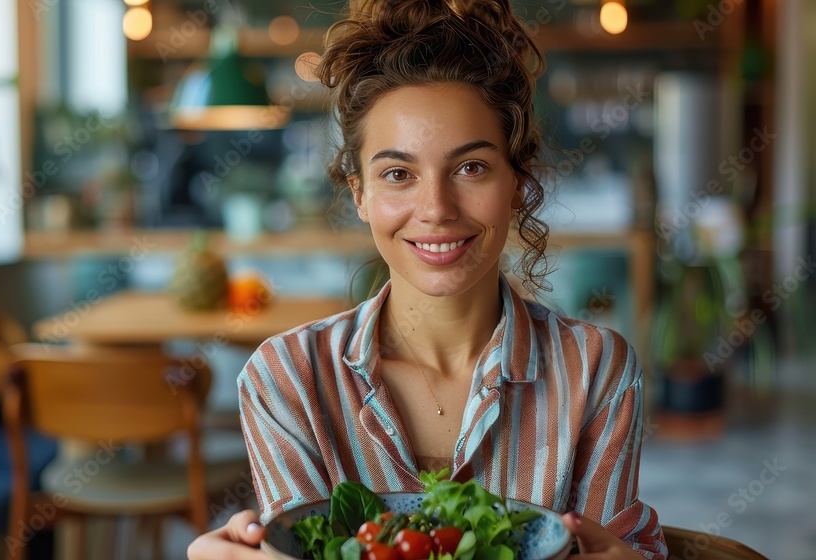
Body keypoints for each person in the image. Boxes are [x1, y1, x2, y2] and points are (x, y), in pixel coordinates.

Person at [188, 0, 667, 558]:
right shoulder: (285, 381)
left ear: (516, 182)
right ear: (359, 194)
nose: (436, 208)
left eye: (471, 167)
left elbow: (622, 547)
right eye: (398, 174)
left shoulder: (596, 373)